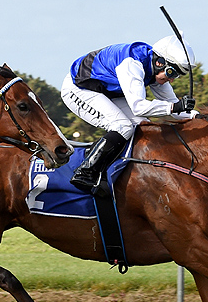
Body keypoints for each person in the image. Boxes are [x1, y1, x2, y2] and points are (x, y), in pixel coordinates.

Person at [61, 35, 197, 193]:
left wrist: (198, 117)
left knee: (144, 126)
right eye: (171, 73)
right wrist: (176, 107)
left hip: (107, 92)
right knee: (123, 127)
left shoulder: (155, 69)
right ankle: (86, 172)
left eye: (177, 76)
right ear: (160, 62)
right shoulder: (132, 64)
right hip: (79, 89)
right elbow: (139, 107)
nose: (172, 80)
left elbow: (175, 110)